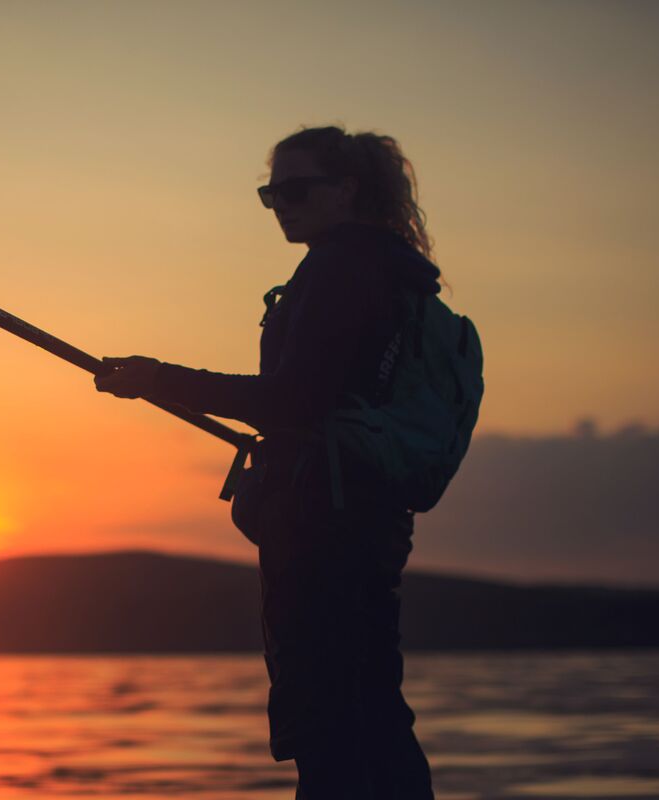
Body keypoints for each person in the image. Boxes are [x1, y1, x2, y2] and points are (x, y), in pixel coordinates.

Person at [95, 125, 440, 799]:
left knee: (329, 724)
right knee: (372, 714)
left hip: (326, 531)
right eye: (270, 192)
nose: (281, 202)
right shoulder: (385, 269)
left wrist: (156, 377)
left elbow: (294, 399)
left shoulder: (343, 269)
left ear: (347, 189)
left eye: (296, 188)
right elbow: (323, 401)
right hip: (362, 518)